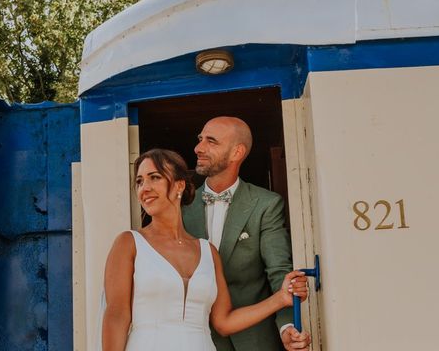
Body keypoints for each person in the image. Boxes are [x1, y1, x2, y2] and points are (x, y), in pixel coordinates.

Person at [102, 148, 308, 350]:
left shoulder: (207, 252)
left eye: (154, 177)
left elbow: (224, 322)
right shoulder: (129, 243)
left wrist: (280, 298)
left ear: (179, 186)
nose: (144, 188)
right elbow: (116, 316)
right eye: (139, 181)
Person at [182, 116, 311, 351]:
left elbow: (278, 273)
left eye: (211, 141)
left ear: (236, 153)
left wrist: (287, 327)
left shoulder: (266, 204)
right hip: (195, 339)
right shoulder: (181, 207)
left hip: (254, 340)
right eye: (200, 139)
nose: (198, 148)